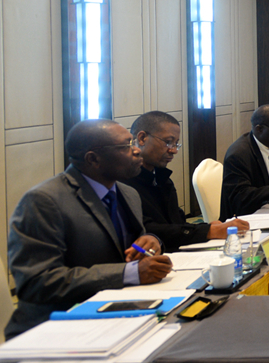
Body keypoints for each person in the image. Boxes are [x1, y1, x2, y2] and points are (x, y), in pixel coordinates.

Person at [6, 120, 172, 338]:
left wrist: (151, 241)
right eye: (126, 146)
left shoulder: (128, 194)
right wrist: (129, 273)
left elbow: (134, 252)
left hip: (119, 314)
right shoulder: (44, 201)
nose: (136, 150)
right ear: (93, 159)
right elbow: (37, 283)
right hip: (57, 329)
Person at [126, 111, 249, 252]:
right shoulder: (124, 183)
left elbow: (176, 224)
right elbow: (146, 230)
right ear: (142, 138)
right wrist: (209, 231)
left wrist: (207, 227)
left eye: (176, 144)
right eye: (168, 142)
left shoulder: (162, 178)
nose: (174, 150)